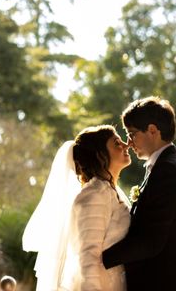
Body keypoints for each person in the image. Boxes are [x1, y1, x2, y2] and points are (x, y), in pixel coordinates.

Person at [102, 97, 176, 290]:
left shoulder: (168, 170)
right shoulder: (163, 165)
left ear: (152, 131)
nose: (128, 143)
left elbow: (151, 241)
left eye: (132, 134)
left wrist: (102, 258)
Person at [23, 125, 132, 291]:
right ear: (100, 155)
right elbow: (88, 257)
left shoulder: (109, 192)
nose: (126, 145)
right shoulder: (93, 196)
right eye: (117, 143)